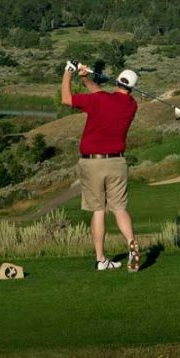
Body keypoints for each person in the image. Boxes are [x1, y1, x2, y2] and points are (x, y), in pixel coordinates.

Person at [61, 61, 141, 272]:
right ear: (131, 88)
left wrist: (69, 72)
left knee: (98, 210)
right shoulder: (131, 106)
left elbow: (66, 99)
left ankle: (100, 259)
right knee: (119, 208)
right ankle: (131, 241)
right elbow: (101, 94)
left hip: (92, 162)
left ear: (117, 81)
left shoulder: (100, 99)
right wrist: (85, 77)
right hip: (117, 162)